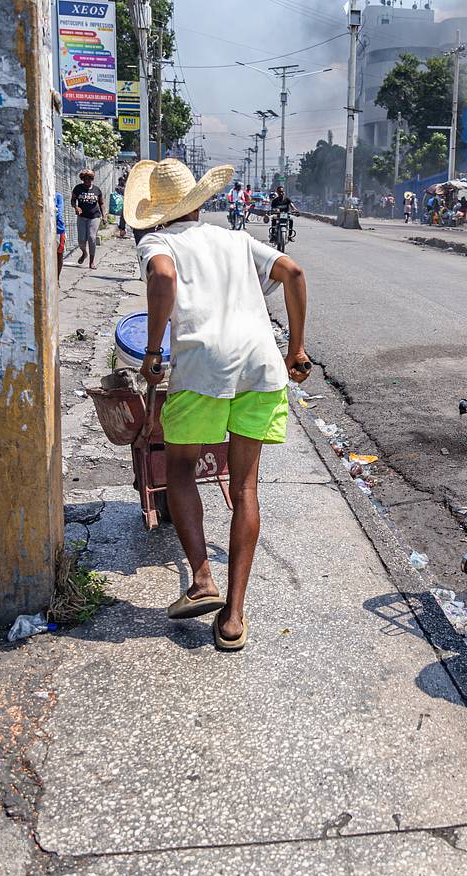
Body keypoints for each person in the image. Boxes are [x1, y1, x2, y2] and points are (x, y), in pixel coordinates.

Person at [125, 160, 310, 651]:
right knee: (244, 485)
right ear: (199, 203)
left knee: (181, 471)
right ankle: (233, 617)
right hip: (261, 368)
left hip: (202, 371)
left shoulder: (158, 243)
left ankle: (203, 579)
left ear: (154, 214)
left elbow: (162, 279)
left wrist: (151, 352)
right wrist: (295, 348)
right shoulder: (234, 239)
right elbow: (293, 272)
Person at [70, 168, 105, 269]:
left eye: (89, 179)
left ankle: (92, 262)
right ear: (82, 179)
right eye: (85, 179)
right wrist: (76, 207)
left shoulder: (97, 190)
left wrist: (104, 216)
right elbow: (73, 200)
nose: (87, 181)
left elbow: (101, 203)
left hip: (94, 216)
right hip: (82, 217)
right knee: (81, 240)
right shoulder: (78, 188)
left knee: (91, 237)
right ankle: (84, 253)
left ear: (92, 179)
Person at [55, 191, 67, 274]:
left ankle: (57, 279)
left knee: (59, 254)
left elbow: (59, 214)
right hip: (58, 230)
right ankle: (57, 279)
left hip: (58, 229)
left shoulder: (58, 196)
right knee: (59, 255)